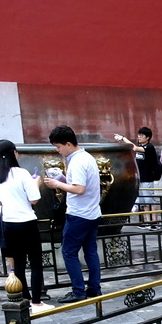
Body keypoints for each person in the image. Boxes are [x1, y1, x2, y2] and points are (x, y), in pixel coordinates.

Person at [0, 139, 50, 310]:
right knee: (36, 262)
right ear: (14, 153)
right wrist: (36, 183)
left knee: (19, 264)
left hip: (9, 223)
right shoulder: (22, 173)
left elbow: (0, 202)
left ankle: (26, 298)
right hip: (26, 222)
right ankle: (37, 301)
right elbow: (34, 199)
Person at [44, 125, 102, 303]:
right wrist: (62, 179)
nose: (57, 150)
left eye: (58, 147)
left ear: (68, 144)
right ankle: (94, 289)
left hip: (79, 214)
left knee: (69, 252)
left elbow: (79, 188)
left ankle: (78, 290)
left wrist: (57, 184)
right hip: (92, 213)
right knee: (90, 252)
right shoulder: (86, 157)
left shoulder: (77, 161)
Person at [114, 127, 159, 209]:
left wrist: (123, 138)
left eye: (141, 135)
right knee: (143, 202)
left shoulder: (149, 147)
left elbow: (134, 148)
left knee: (150, 200)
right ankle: (148, 220)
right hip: (140, 178)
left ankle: (155, 220)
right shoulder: (141, 146)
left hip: (147, 179)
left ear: (147, 137)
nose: (139, 137)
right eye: (139, 135)